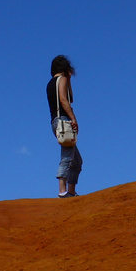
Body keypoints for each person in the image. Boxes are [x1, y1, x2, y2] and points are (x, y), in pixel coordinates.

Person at [47, 55, 81, 197]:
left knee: (77, 159)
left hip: (55, 121)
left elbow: (68, 97)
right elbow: (65, 99)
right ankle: (62, 191)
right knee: (67, 156)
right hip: (63, 120)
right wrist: (73, 118)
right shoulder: (62, 80)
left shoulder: (50, 83)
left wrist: (69, 81)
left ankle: (71, 191)